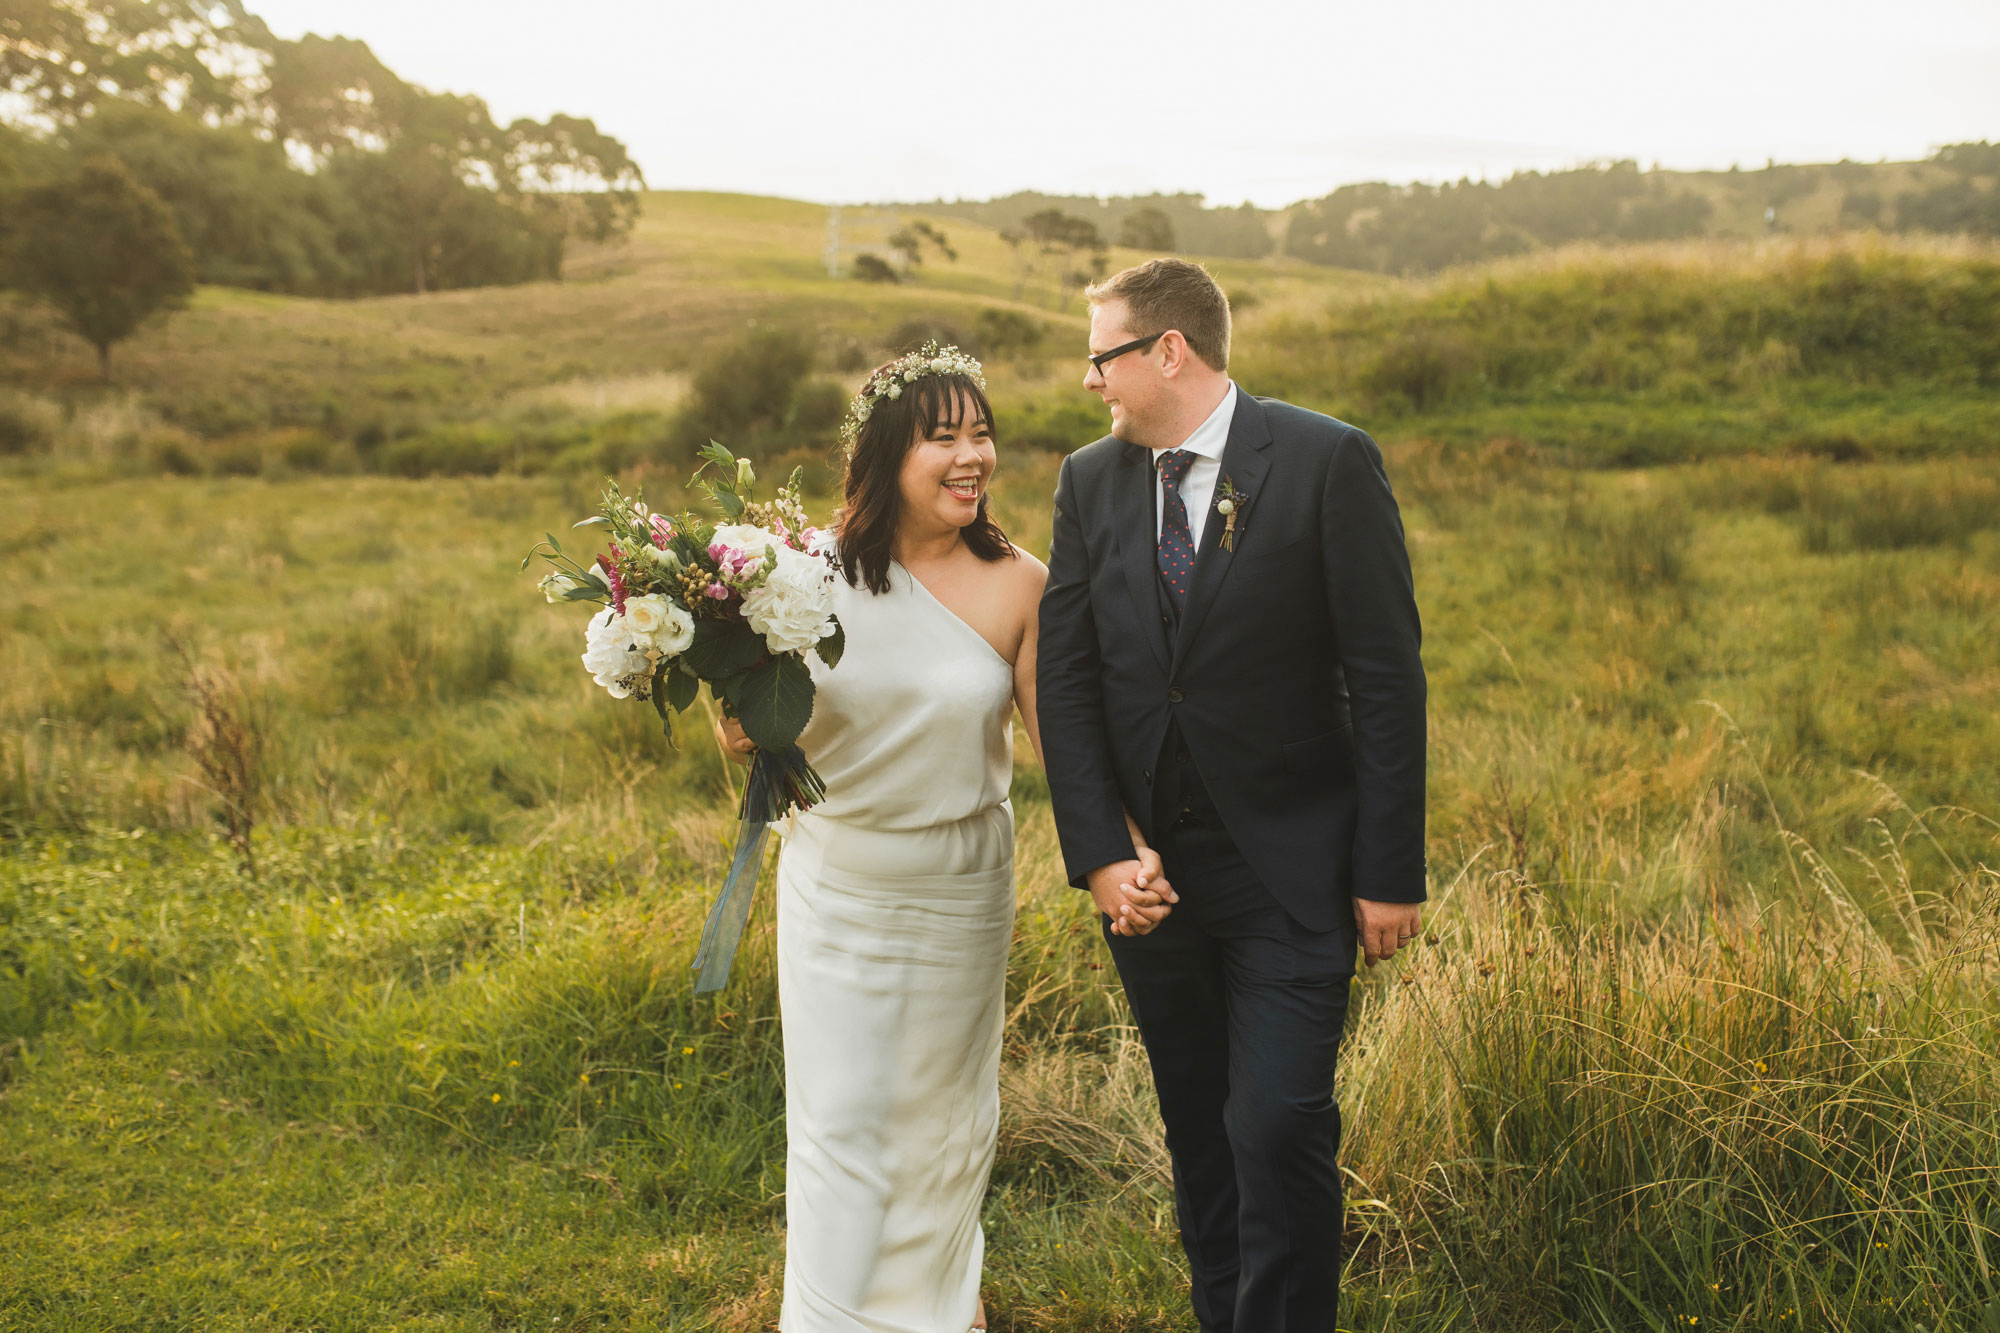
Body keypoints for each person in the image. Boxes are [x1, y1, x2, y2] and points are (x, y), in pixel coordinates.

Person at [719, 344, 1172, 1333]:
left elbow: (1064, 746)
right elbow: (748, 729)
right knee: (840, 1120)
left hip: (960, 886)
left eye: (981, 434)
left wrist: (1119, 849)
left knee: (942, 1122)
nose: (972, 457)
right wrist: (735, 705)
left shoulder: (1020, 584)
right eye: (943, 438)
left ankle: (940, 1311)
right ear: (886, 456)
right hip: (837, 879)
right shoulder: (800, 577)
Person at [1037, 260, 1428, 1332]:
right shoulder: (1088, 480)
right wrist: (1101, 854)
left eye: (1101, 356)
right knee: (1201, 1137)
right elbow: (1063, 683)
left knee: (1276, 1124)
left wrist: (1390, 872)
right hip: (1152, 885)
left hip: (1292, 869)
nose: (1088, 382)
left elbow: (1386, 678)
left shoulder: (1323, 460)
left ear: (1168, 350)